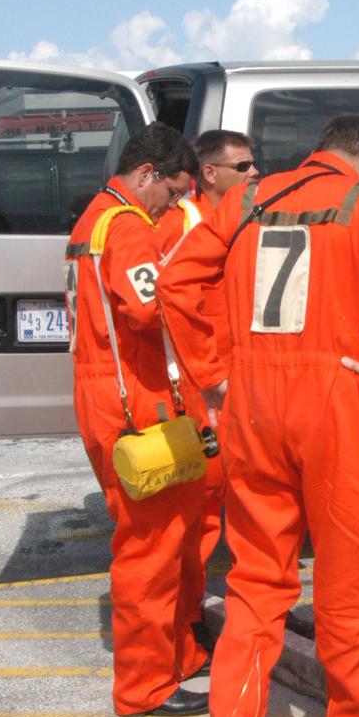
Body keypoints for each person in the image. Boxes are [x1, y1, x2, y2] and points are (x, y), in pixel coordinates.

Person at [157, 115, 359, 717]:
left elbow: (175, 283)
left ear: (318, 152)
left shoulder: (248, 199)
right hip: (337, 403)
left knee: (256, 581)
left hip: (253, 406)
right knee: (356, 581)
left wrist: (215, 375)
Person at [63, 121, 210, 717]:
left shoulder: (92, 220)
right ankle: (145, 686)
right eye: (171, 193)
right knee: (150, 546)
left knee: (167, 537)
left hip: (104, 391)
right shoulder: (125, 227)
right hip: (133, 399)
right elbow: (150, 309)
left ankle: (177, 658)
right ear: (146, 175)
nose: (172, 206)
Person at [158, 130, 260, 652]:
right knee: (200, 514)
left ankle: (240, 613)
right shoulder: (183, 225)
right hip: (201, 387)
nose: (254, 174)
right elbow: (163, 298)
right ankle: (186, 623)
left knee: (239, 508)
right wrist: (207, 375)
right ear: (211, 173)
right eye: (242, 167)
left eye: (254, 165)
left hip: (237, 382)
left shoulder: (243, 221)